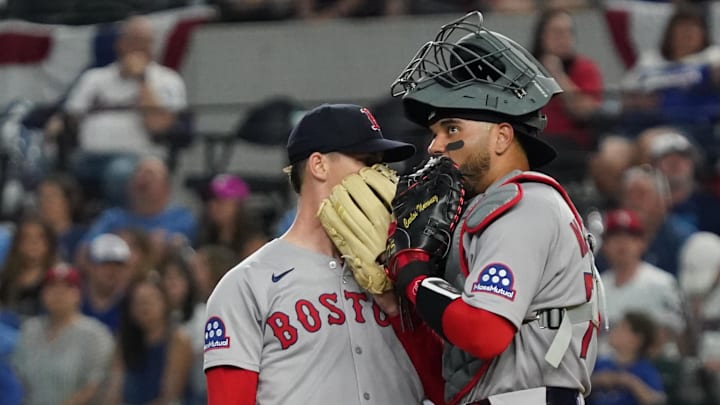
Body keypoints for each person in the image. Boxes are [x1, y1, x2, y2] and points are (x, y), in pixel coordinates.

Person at [385, 11, 601, 404]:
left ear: (502, 137)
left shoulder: (522, 206)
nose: (434, 146)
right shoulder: (503, 205)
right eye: (434, 133)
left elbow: (484, 332)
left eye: (452, 129)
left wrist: (415, 277)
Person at [203, 103, 425, 404]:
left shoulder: (402, 270)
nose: (382, 175)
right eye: (367, 161)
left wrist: (396, 306)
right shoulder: (248, 284)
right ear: (318, 165)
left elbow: (444, 389)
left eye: (382, 165)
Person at [62, 15, 187, 205]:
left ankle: (122, 224)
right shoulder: (94, 78)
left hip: (140, 158)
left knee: (119, 172)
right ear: (119, 43)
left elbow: (158, 125)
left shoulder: (167, 80)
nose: (137, 47)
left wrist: (141, 80)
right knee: (54, 177)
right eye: (132, 40)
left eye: (143, 41)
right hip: (89, 157)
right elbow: (71, 117)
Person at [12, 264, 114, 405]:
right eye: (52, 287)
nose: (58, 293)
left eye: (67, 288)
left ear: (78, 294)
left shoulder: (96, 334)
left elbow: (94, 386)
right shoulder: (30, 329)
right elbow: (17, 377)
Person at [105, 276, 193, 405]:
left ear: (165, 302)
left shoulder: (179, 341)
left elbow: (170, 396)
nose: (144, 306)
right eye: (138, 301)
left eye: (150, 299)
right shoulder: (124, 340)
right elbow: (113, 391)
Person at [530, 8, 603, 150]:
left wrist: (558, 75)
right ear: (542, 35)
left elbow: (584, 112)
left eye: (568, 32)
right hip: (534, 138)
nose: (563, 38)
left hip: (571, 141)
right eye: (557, 32)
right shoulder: (526, 67)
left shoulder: (585, 67)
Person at [588, 311, 665, 405]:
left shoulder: (646, 371)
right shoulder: (601, 363)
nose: (615, 331)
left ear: (636, 340)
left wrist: (628, 381)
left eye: (622, 328)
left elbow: (656, 400)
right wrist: (598, 380)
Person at [198, 173, 267, 260]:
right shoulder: (206, 236)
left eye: (220, 201)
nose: (212, 206)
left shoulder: (253, 244)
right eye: (209, 201)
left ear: (237, 204)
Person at [81, 233, 133, 333]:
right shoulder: (75, 301)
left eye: (118, 265)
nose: (112, 271)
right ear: (90, 266)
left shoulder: (131, 305)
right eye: (105, 264)